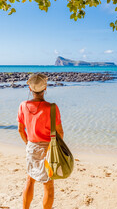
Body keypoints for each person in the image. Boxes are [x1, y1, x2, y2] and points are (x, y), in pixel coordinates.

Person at [17, 73, 64, 209]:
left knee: (29, 180)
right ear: (45, 89)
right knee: (48, 184)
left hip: (32, 146)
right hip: (49, 149)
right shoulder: (52, 108)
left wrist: (28, 143)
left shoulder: (23, 105)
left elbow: (21, 130)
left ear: (30, 89)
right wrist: (57, 149)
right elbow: (60, 132)